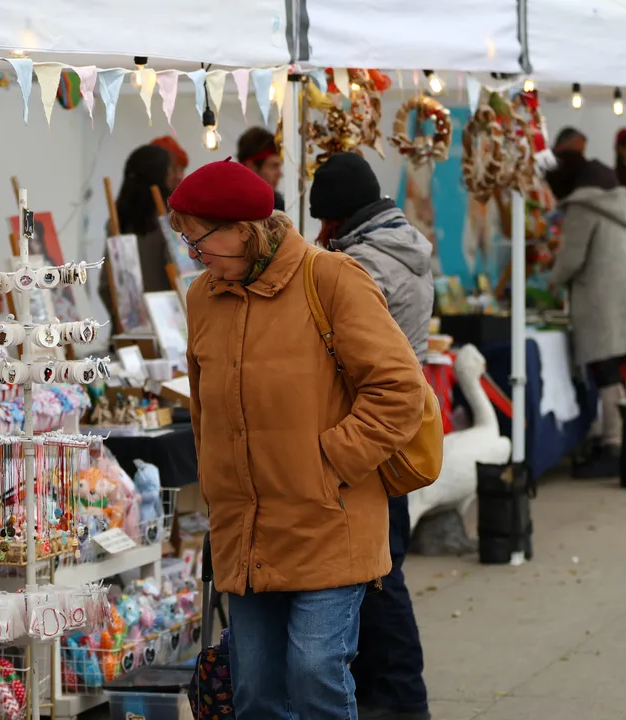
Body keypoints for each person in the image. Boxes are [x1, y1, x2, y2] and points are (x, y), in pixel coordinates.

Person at [174, 159, 430, 718]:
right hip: (245, 529)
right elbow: (204, 410)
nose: (196, 256)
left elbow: (399, 390)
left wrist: (329, 462)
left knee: (315, 673)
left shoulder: (332, 278)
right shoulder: (201, 299)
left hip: (326, 521)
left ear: (243, 229)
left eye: (200, 241)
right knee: (257, 691)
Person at [310, 151, 432, 720]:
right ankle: (396, 695)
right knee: (385, 567)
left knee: (381, 574)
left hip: (370, 434)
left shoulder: (363, 267)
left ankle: (401, 698)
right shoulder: (400, 244)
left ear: (336, 216)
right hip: (393, 434)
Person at [545, 146, 626, 478]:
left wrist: (551, 281)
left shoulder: (583, 207)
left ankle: (613, 445)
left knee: (607, 375)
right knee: (625, 374)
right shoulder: (617, 200)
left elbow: (572, 259)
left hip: (604, 305)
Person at [100, 144, 177, 318]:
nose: (174, 176)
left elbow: (106, 286)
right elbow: (181, 275)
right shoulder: (171, 220)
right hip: (170, 324)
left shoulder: (117, 220)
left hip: (131, 326)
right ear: (159, 174)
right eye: (170, 170)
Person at [237, 126, 287, 212]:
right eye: (274, 166)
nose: (280, 174)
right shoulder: (230, 207)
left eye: (279, 166)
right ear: (251, 167)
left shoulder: (278, 206)